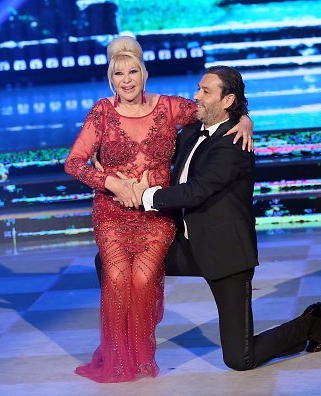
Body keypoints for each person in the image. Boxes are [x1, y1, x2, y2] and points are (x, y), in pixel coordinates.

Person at [103, 65, 321, 371]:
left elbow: (197, 191)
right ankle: (127, 346)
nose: (196, 96)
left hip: (225, 255)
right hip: (185, 245)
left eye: (205, 92)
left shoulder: (235, 143)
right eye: (198, 88)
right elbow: (150, 145)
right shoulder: (192, 130)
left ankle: (309, 325)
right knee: (110, 260)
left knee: (240, 359)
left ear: (227, 100)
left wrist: (145, 197)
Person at [64, 36, 253, 383]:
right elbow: (73, 163)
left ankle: (138, 352)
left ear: (144, 73)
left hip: (155, 216)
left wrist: (245, 119)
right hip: (112, 213)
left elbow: (213, 111)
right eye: (118, 73)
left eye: (132, 71)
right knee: (119, 278)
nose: (126, 80)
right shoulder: (102, 112)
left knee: (142, 278)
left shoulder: (169, 107)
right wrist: (111, 183)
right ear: (111, 79)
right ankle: (120, 359)